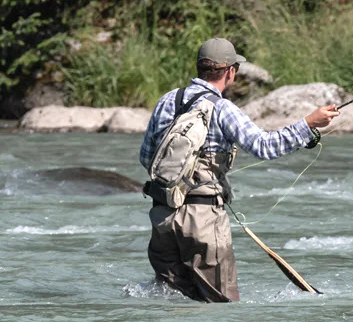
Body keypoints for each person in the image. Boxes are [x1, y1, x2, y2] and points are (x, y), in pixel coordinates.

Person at [139, 37, 339, 302]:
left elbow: (146, 157)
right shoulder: (222, 108)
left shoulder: (168, 100)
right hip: (203, 221)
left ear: (200, 67)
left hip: (162, 217)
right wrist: (308, 124)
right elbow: (265, 146)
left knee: (172, 303)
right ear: (230, 72)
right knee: (221, 309)